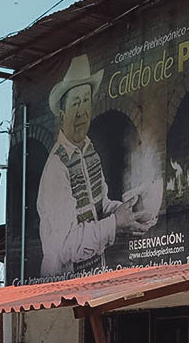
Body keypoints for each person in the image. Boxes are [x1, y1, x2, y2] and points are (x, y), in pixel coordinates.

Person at [37, 55, 151, 276]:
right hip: (61, 283)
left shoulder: (89, 151)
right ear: (62, 115)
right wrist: (116, 224)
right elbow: (68, 246)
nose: (82, 111)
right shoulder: (56, 168)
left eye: (86, 101)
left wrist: (124, 210)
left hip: (92, 274)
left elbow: (100, 206)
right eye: (75, 103)